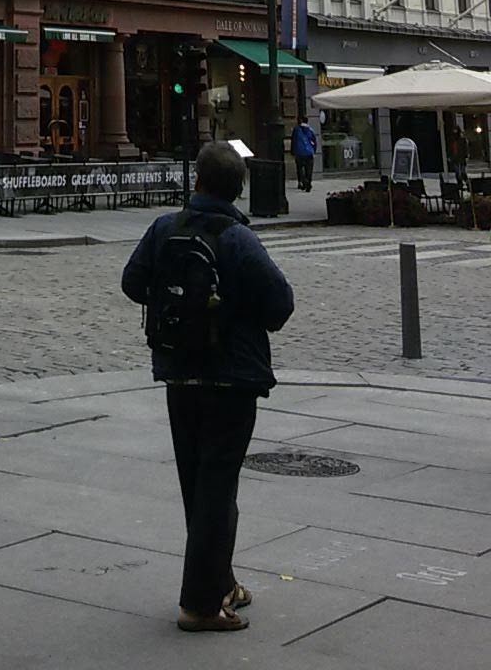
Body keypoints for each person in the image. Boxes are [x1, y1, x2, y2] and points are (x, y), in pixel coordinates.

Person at [121, 139, 294, 634]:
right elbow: (280, 306)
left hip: (179, 371)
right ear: (238, 190)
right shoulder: (238, 239)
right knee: (218, 486)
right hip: (231, 376)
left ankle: (220, 581)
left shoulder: (164, 227)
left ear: (196, 180)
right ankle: (199, 604)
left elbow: (132, 283)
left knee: (197, 484)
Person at [290, 119, 317, 192]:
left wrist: (292, 152)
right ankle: (308, 183)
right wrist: (314, 151)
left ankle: (304, 182)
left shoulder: (296, 130)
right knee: (309, 170)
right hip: (309, 152)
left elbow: (293, 141)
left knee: (300, 169)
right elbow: (314, 141)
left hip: (299, 152)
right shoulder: (311, 129)